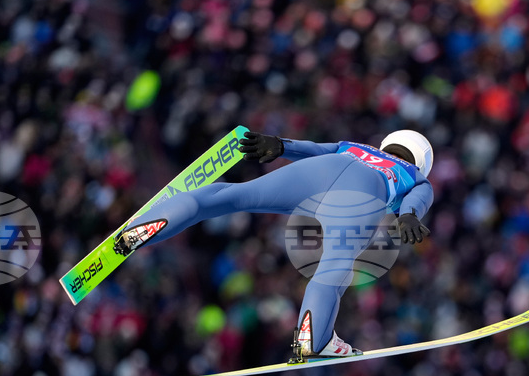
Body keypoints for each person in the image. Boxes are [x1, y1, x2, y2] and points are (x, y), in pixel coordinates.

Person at [113, 130, 435, 360]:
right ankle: (313, 339)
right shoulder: (414, 175)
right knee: (335, 265)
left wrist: (279, 145)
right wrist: (408, 216)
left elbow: (313, 149)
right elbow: (418, 198)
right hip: (363, 191)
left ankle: (142, 228)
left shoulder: (356, 146)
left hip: (319, 171)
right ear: (421, 162)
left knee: (233, 196)